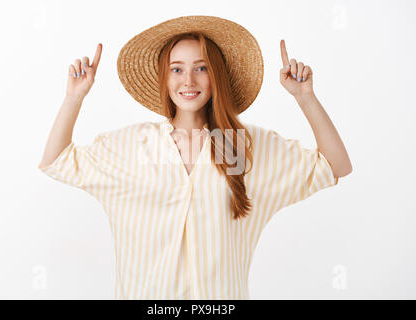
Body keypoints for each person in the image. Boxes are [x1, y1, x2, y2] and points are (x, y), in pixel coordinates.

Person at [38, 15, 352, 299]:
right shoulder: (131, 145)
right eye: (177, 69)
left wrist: (305, 97)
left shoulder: (242, 147)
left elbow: (336, 165)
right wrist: (74, 97)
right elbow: (56, 161)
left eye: (201, 68)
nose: (188, 81)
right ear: (164, 77)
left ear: (216, 76)